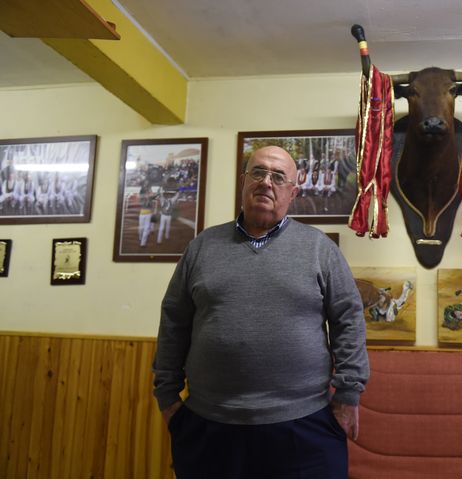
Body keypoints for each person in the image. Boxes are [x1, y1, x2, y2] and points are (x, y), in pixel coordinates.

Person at [152, 145, 369, 479]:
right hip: (209, 428)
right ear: (244, 182)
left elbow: (349, 319)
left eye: (278, 176)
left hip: (304, 428)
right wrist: (167, 395)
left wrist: (349, 393)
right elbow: (173, 322)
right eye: (258, 172)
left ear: (293, 192)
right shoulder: (201, 248)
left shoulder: (320, 249)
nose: (266, 182)